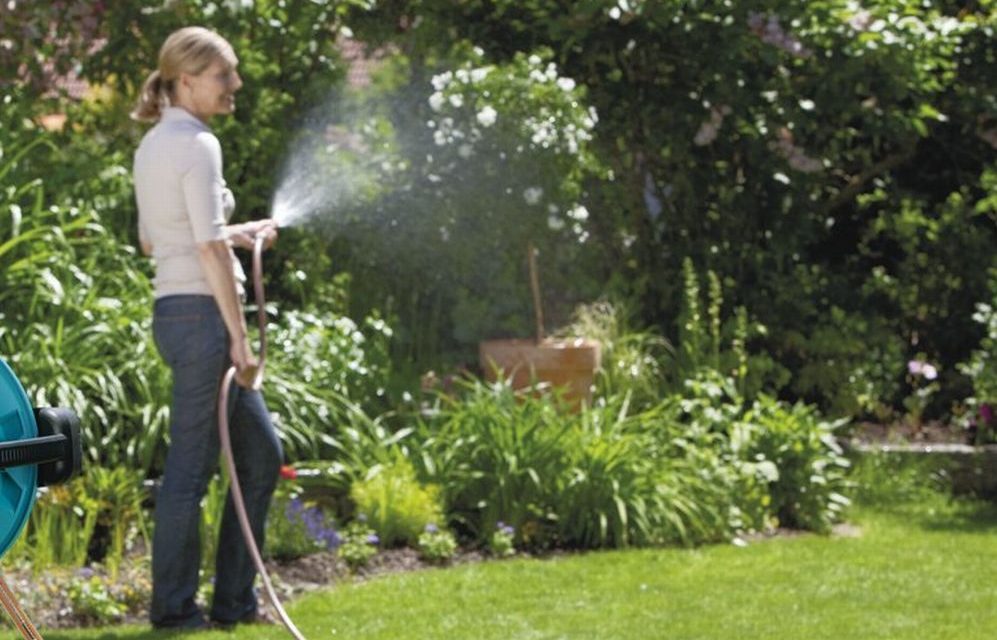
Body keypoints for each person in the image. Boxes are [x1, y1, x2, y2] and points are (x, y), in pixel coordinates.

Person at [131, 26, 282, 630]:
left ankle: (233, 604)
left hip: (177, 315)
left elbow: (153, 239)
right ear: (187, 80)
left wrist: (233, 232)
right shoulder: (198, 144)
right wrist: (240, 339)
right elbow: (204, 248)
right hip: (203, 321)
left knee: (261, 457)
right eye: (225, 75)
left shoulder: (153, 145)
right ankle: (172, 613)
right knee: (190, 472)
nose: (236, 85)